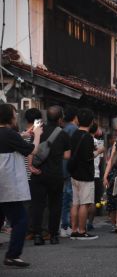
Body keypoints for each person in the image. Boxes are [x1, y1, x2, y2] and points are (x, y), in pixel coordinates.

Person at [0, 103, 42, 267]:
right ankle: (13, 255)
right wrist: (37, 135)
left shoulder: (9, 134)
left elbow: (13, 140)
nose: (16, 115)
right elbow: (33, 150)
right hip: (8, 185)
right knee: (20, 220)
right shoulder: (10, 134)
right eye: (14, 113)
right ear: (9, 116)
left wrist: (24, 134)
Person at [30, 106, 71, 246]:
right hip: (55, 174)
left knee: (37, 205)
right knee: (55, 205)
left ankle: (37, 235)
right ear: (60, 119)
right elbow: (67, 155)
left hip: (38, 173)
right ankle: (53, 235)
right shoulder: (63, 134)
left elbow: (31, 150)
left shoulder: (38, 131)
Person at [69, 108, 103, 240]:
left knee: (75, 203)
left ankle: (74, 230)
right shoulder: (88, 137)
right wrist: (99, 152)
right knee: (85, 203)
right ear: (91, 122)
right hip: (85, 174)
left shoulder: (74, 135)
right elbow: (88, 157)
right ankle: (82, 231)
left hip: (74, 173)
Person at [22, 108, 43, 238]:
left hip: (22, 175)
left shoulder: (21, 135)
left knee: (25, 205)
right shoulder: (38, 136)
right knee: (36, 204)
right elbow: (33, 151)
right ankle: (33, 230)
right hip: (35, 172)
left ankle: (27, 231)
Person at [60, 106, 79, 238]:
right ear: (75, 118)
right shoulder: (74, 130)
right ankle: (65, 225)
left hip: (61, 166)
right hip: (70, 167)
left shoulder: (63, 130)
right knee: (68, 198)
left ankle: (63, 224)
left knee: (63, 198)